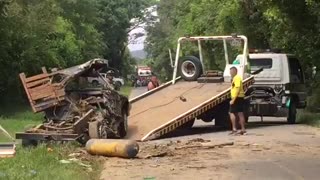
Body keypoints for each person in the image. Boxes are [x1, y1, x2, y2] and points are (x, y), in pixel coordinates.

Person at [229, 67, 246, 135]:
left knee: (231, 112)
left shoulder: (237, 78)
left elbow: (238, 88)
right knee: (240, 113)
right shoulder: (235, 78)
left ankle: (234, 128)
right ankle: (242, 129)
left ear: (234, 71)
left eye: (231, 71)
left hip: (237, 98)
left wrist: (233, 99)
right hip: (239, 97)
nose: (230, 73)